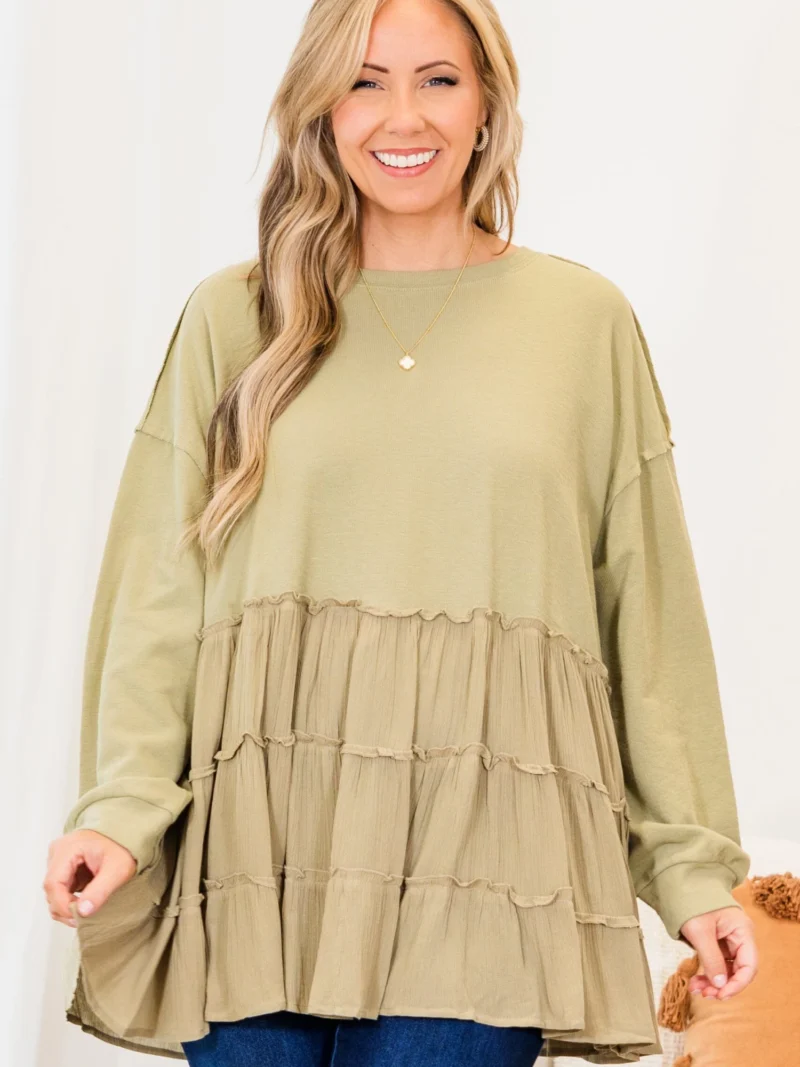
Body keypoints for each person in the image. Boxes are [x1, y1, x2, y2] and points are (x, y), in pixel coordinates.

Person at [43, 0, 758, 1063]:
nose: (402, 115)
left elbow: (646, 616)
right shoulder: (235, 317)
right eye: (364, 82)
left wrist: (692, 868)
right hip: (263, 850)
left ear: (487, 104)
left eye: (438, 79)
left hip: (489, 850)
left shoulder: (582, 322)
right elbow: (160, 590)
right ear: (321, 109)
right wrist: (122, 807)